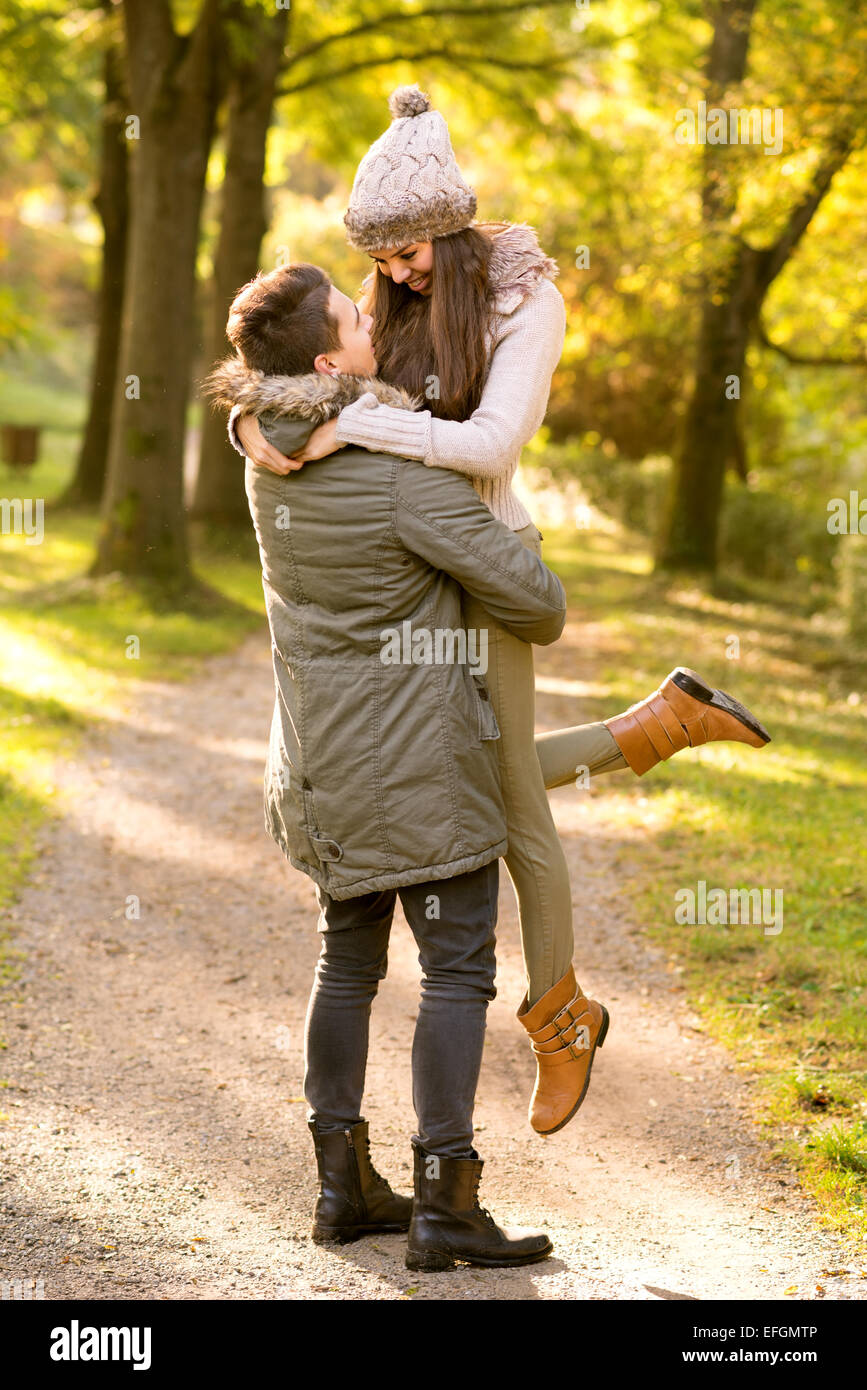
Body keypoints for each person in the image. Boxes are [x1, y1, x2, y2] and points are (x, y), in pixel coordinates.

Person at [230, 86, 770, 1138]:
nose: (391, 278)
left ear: (449, 223)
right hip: (422, 562)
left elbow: (487, 446)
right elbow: (303, 379)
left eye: (407, 253)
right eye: (377, 261)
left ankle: (560, 1014)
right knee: (492, 757)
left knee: (512, 795)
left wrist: (362, 440)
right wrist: (266, 434)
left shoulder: (530, 303)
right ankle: (656, 725)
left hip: (491, 556)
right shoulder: (388, 301)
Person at [206, 259, 580, 1271]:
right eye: (352, 314)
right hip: (423, 766)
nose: (373, 315)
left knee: (347, 961)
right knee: (457, 970)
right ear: (330, 357)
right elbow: (538, 605)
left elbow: (262, 417)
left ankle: (341, 1186)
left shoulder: (259, 456)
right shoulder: (400, 478)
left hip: (324, 767)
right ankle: (444, 1199)